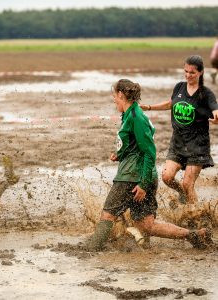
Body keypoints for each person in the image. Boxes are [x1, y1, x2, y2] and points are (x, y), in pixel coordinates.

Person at [85, 79, 213, 252]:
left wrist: (143, 184)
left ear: (121, 95)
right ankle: (195, 235)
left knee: (107, 214)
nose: (114, 100)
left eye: (114, 96)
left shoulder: (136, 117)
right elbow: (136, 144)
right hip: (140, 176)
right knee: (147, 225)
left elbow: (149, 152)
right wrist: (120, 154)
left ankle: (91, 250)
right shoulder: (131, 113)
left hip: (132, 177)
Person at [141, 55, 218, 205]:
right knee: (167, 177)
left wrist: (216, 117)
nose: (188, 75)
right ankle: (182, 196)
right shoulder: (179, 87)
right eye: (186, 71)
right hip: (177, 143)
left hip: (197, 146)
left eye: (192, 72)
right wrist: (149, 107)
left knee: (188, 184)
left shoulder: (206, 93)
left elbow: (215, 109)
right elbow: (171, 103)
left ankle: (195, 215)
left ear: (201, 73)